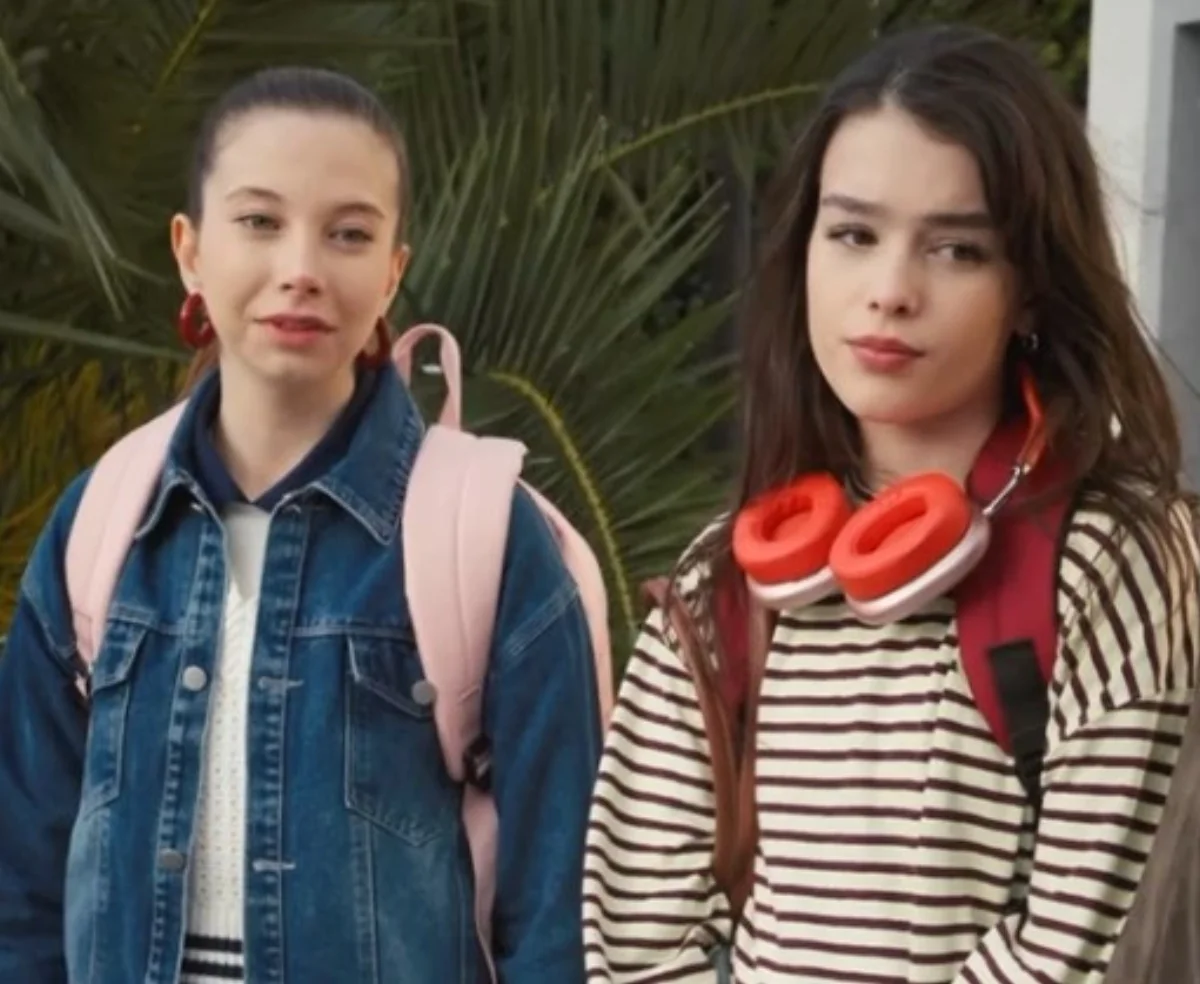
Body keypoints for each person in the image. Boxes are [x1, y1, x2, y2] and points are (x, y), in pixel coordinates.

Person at [582, 24, 1199, 984]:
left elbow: (1084, 943)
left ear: (1030, 291)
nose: (890, 291)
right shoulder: (725, 582)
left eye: (957, 249)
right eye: (854, 235)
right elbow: (634, 938)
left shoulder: (1114, 562)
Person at [0, 66, 603, 983]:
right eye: (259, 221)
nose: (302, 270)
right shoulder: (104, 521)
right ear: (189, 250)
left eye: (349, 233)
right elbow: (22, 887)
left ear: (394, 268)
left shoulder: (480, 534)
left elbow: (561, 915)